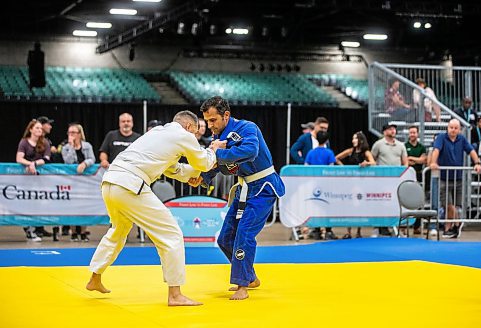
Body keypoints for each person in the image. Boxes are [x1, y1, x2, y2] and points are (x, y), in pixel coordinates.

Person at [86, 110, 226, 306]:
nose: (194, 138)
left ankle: (95, 277)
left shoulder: (157, 133)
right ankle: (175, 295)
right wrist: (215, 149)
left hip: (110, 182)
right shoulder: (183, 135)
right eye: (195, 133)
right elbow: (203, 161)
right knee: (171, 234)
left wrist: (195, 177)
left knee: (118, 230)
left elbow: (174, 169)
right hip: (129, 184)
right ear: (188, 127)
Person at [194, 96, 285, 301]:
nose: (209, 126)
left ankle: (242, 285)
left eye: (213, 120)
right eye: (207, 121)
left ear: (226, 115)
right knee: (225, 238)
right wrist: (202, 177)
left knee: (244, 234)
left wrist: (220, 152)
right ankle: (250, 277)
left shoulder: (247, 128)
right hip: (245, 188)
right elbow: (216, 164)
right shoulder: (217, 140)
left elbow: (250, 151)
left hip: (263, 188)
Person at [430, 119, 481, 239]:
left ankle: (450, 229)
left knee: (456, 205)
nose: (453, 130)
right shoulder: (441, 137)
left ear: (459, 129)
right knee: (448, 205)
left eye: (455, 128)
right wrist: (433, 162)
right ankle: (458, 222)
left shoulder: (462, 139)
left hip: (458, 178)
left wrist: (477, 162)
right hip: (444, 178)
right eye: (451, 127)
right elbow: (436, 150)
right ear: (447, 128)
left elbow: (471, 151)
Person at [336, 131, 376, 238]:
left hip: (362, 183)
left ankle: (358, 231)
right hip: (350, 182)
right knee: (349, 206)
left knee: (360, 206)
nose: (353, 140)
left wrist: (366, 163)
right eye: (353, 138)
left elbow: (373, 163)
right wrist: (343, 168)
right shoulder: (350, 151)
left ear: (361, 140)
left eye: (355, 138)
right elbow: (337, 158)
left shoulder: (366, 152)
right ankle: (348, 231)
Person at [16, 119, 51, 241]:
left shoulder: (45, 143)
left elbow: (46, 159)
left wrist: (34, 164)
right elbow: (19, 158)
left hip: (39, 178)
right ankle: (28, 228)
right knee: (25, 203)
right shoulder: (24, 142)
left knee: (38, 203)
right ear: (30, 129)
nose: (39, 130)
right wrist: (30, 164)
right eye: (37, 128)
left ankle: (35, 228)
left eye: (41, 129)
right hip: (25, 179)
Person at [371, 123, 408, 237]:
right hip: (382, 180)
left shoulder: (401, 145)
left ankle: (396, 227)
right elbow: (372, 158)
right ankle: (379, 227)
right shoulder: (379, 144)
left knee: (395, 203)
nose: (393, 131)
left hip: (396, 180)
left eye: (394, 129)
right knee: (381, 203)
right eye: (390, 129)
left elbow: (405, 161)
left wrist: (404, 173)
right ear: (384, 131)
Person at [61, 123, 96, 242]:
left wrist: (85, 163)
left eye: (73, 133)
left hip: (85, 181)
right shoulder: (65, 147)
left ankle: (83, 231)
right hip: (72, 181)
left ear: (79, 134)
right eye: (69, 133)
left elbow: (92, 159)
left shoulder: (87, 146)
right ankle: (74, 232)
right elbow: (68, 161)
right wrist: (71, 146)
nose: (71, 135)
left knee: (84, 206)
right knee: (72, 206)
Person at [304, 130, 338, 240]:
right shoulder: (329, 153)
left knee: (316, 206)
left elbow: (306, 167)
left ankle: (317, 230)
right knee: (327, 207)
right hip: (326, 184)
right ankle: (328, 231)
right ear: (327, 140)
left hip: (314, 184)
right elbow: (331, 169)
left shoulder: (311, 152)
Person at [404, 126, 427, 235]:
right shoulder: (404, 146)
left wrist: (411, 158)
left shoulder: (422, 147)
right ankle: (404, 225)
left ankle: (417, 226)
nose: (412, 134)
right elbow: (405, 160)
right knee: (405, 200)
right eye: (410, 132)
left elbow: (423, 160)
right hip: (406, 175)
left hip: (418, 176)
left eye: (414, 132)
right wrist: (415, 160)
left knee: (418, 201)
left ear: (417, 134)